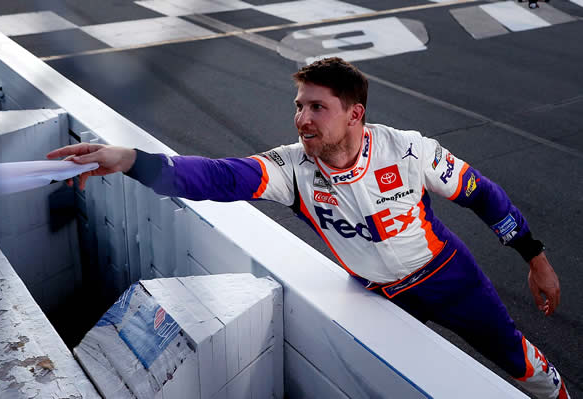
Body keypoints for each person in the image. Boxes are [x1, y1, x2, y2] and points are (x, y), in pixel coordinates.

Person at [46, 57, 568, 398]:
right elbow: (218, 176)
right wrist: (131, 158)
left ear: (354, 113)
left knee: (520, 363)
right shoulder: (293, 168)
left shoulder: (410, 150)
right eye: (299, 106)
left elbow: (485, 196)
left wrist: (536, 260)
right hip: (380, 295)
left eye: (318, 107)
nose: (302, 119)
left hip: (448, 278)